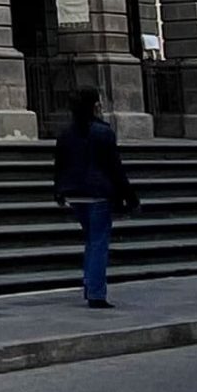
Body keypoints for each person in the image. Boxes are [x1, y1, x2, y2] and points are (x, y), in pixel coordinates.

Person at [53, 86, 138, 308]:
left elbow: (59, 166)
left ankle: (90, 284)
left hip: (75, 194)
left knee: (92, 240)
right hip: (98, 194)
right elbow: (115, 168)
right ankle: (96, 292)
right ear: (95, 106)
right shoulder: (102, 132)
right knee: (99, 242)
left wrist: (59, 190)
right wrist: (130, 197)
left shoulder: (66, 134)